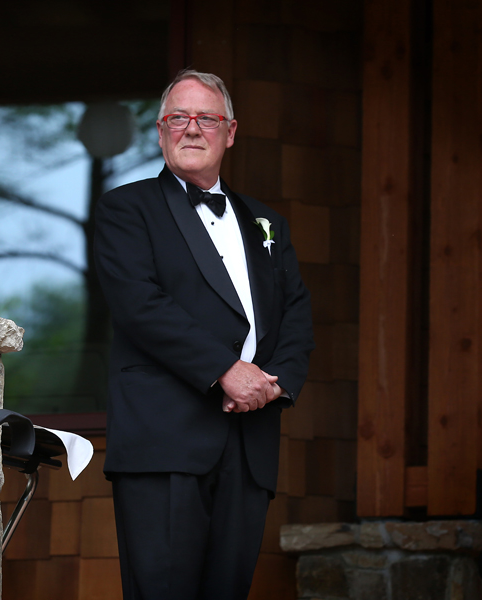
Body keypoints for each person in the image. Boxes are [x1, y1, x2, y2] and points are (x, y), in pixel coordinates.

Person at [93, 69, 314, 599]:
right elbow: (140, 305)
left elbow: (297, 314)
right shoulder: (126, 209)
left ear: (230, 132)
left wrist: (274, 384)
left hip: (249, 445)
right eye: (178, 118)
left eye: (207, 118)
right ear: (161, 130)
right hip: (164, 443)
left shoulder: (268, 223)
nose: (192, 129)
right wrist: (225, 371)